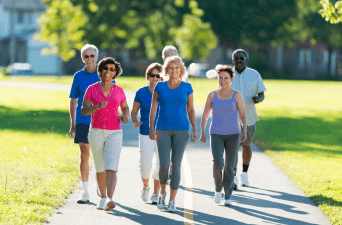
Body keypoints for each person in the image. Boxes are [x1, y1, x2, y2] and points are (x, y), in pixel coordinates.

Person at [149, 56, 197, 212]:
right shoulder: (160, 87)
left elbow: (190, 109)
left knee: (176, 166)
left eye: (176, 68)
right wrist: (151, 128)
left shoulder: (187, 87)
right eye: (170, 67)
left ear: (181, 70)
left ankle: (172, 201)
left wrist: (195, 130)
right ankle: (162, 193)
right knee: (163, 165)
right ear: (166, 70)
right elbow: (153, 108)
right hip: (162, 128)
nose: (173, 70)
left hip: (181, 130)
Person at [81, 57, 129, 211]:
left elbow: (125, 107)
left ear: (116, 73)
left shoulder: (119, 91)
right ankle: (102, 198)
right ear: (100, 71)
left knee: (112, 167)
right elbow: (83, 110)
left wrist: (125, 115)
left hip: (115, 132)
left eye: (112, 69)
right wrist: (96, 107)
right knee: (100, 167)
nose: (108, 72)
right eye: (106, 69)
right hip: (96, 132)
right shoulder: (92, 89)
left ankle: (109, 199)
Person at [200, 66, 247, 206]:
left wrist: (244, 131)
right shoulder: (212, 95)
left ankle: (228, 195)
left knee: (229, 165)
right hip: (216, 133)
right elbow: (205, 114)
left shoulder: (237, 95)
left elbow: (243, 115)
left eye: (226, 78)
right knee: (218, 163)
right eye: (220, 77)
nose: (223, 80)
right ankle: (218, 189)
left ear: (231, 79)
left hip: (234, 134)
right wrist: (202, 131)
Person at [69, 44, 102, 203]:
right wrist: (72, 123)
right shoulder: (78, 76)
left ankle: (101, 185)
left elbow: (112, 97)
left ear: (96, 57)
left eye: (92, 56)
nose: (89, 59)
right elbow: (73, 100)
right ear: (82, 58)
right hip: (83, 119)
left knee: (99, 154)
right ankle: (85, 191)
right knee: (84, 151)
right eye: (86, 56)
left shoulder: (105, 74)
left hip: (100, 120)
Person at [230, 49, 266, 188]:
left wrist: (259, 99)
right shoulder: (228, 74)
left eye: (242, 58)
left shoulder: (254, 74)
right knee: (233, 147)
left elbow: (262, 93)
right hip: (232, 118)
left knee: (246, 146)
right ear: (233, 60)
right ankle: (233, 176)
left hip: (249, 117)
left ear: (246, 59)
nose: (239, 60)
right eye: (236, 58)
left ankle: (244, 174)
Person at [131, 63, 163, 204]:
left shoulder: (166, 91)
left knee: (160, 164)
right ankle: (145, 186)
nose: (155, 78)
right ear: (148, 77)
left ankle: (156, 194)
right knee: (145, 164)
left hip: (163, 133)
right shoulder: (141, 92)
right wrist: (135, 121)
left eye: (158, 75)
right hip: (145, 132)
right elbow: (133, 112)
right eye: (152, 75)